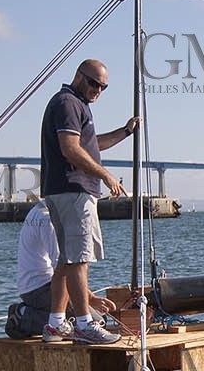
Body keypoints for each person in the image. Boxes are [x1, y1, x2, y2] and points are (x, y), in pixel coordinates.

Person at [39, 58, 140, 343]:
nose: (98, 90)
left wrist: (126, 131)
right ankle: (84, 324)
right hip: (74, 190)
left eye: (103, 87)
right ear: (79, 77)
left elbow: (92, 146)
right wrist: (106, 176)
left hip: (62, 190)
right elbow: (71, 149)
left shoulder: (74, 105)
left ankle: (56, 323)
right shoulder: (69, 103)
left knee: (67, 260)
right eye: (95, 83)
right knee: (79, 259)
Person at [5, 202, 123, 339]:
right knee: (86, 323)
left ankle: (38, 314)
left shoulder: (42, 211)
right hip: (39, 287)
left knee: (100, 319)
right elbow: (63, 266)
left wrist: (89, 298)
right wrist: (89, 298)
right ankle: (22, 317)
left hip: (41, 285)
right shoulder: (47, 218)